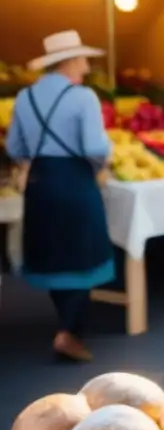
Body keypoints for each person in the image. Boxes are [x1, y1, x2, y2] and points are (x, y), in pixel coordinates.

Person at [7, 31, 114, 361]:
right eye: (82, 58)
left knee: (53, 253)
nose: (86, 64)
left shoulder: (25, 97)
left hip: (40, 182)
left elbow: (15, 147)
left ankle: (67, 324)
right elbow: (94, 147)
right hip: (75, 181)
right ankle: (70, 332)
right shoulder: (84, 97)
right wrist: (106, 159)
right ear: (69, 62)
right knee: (83, 253)